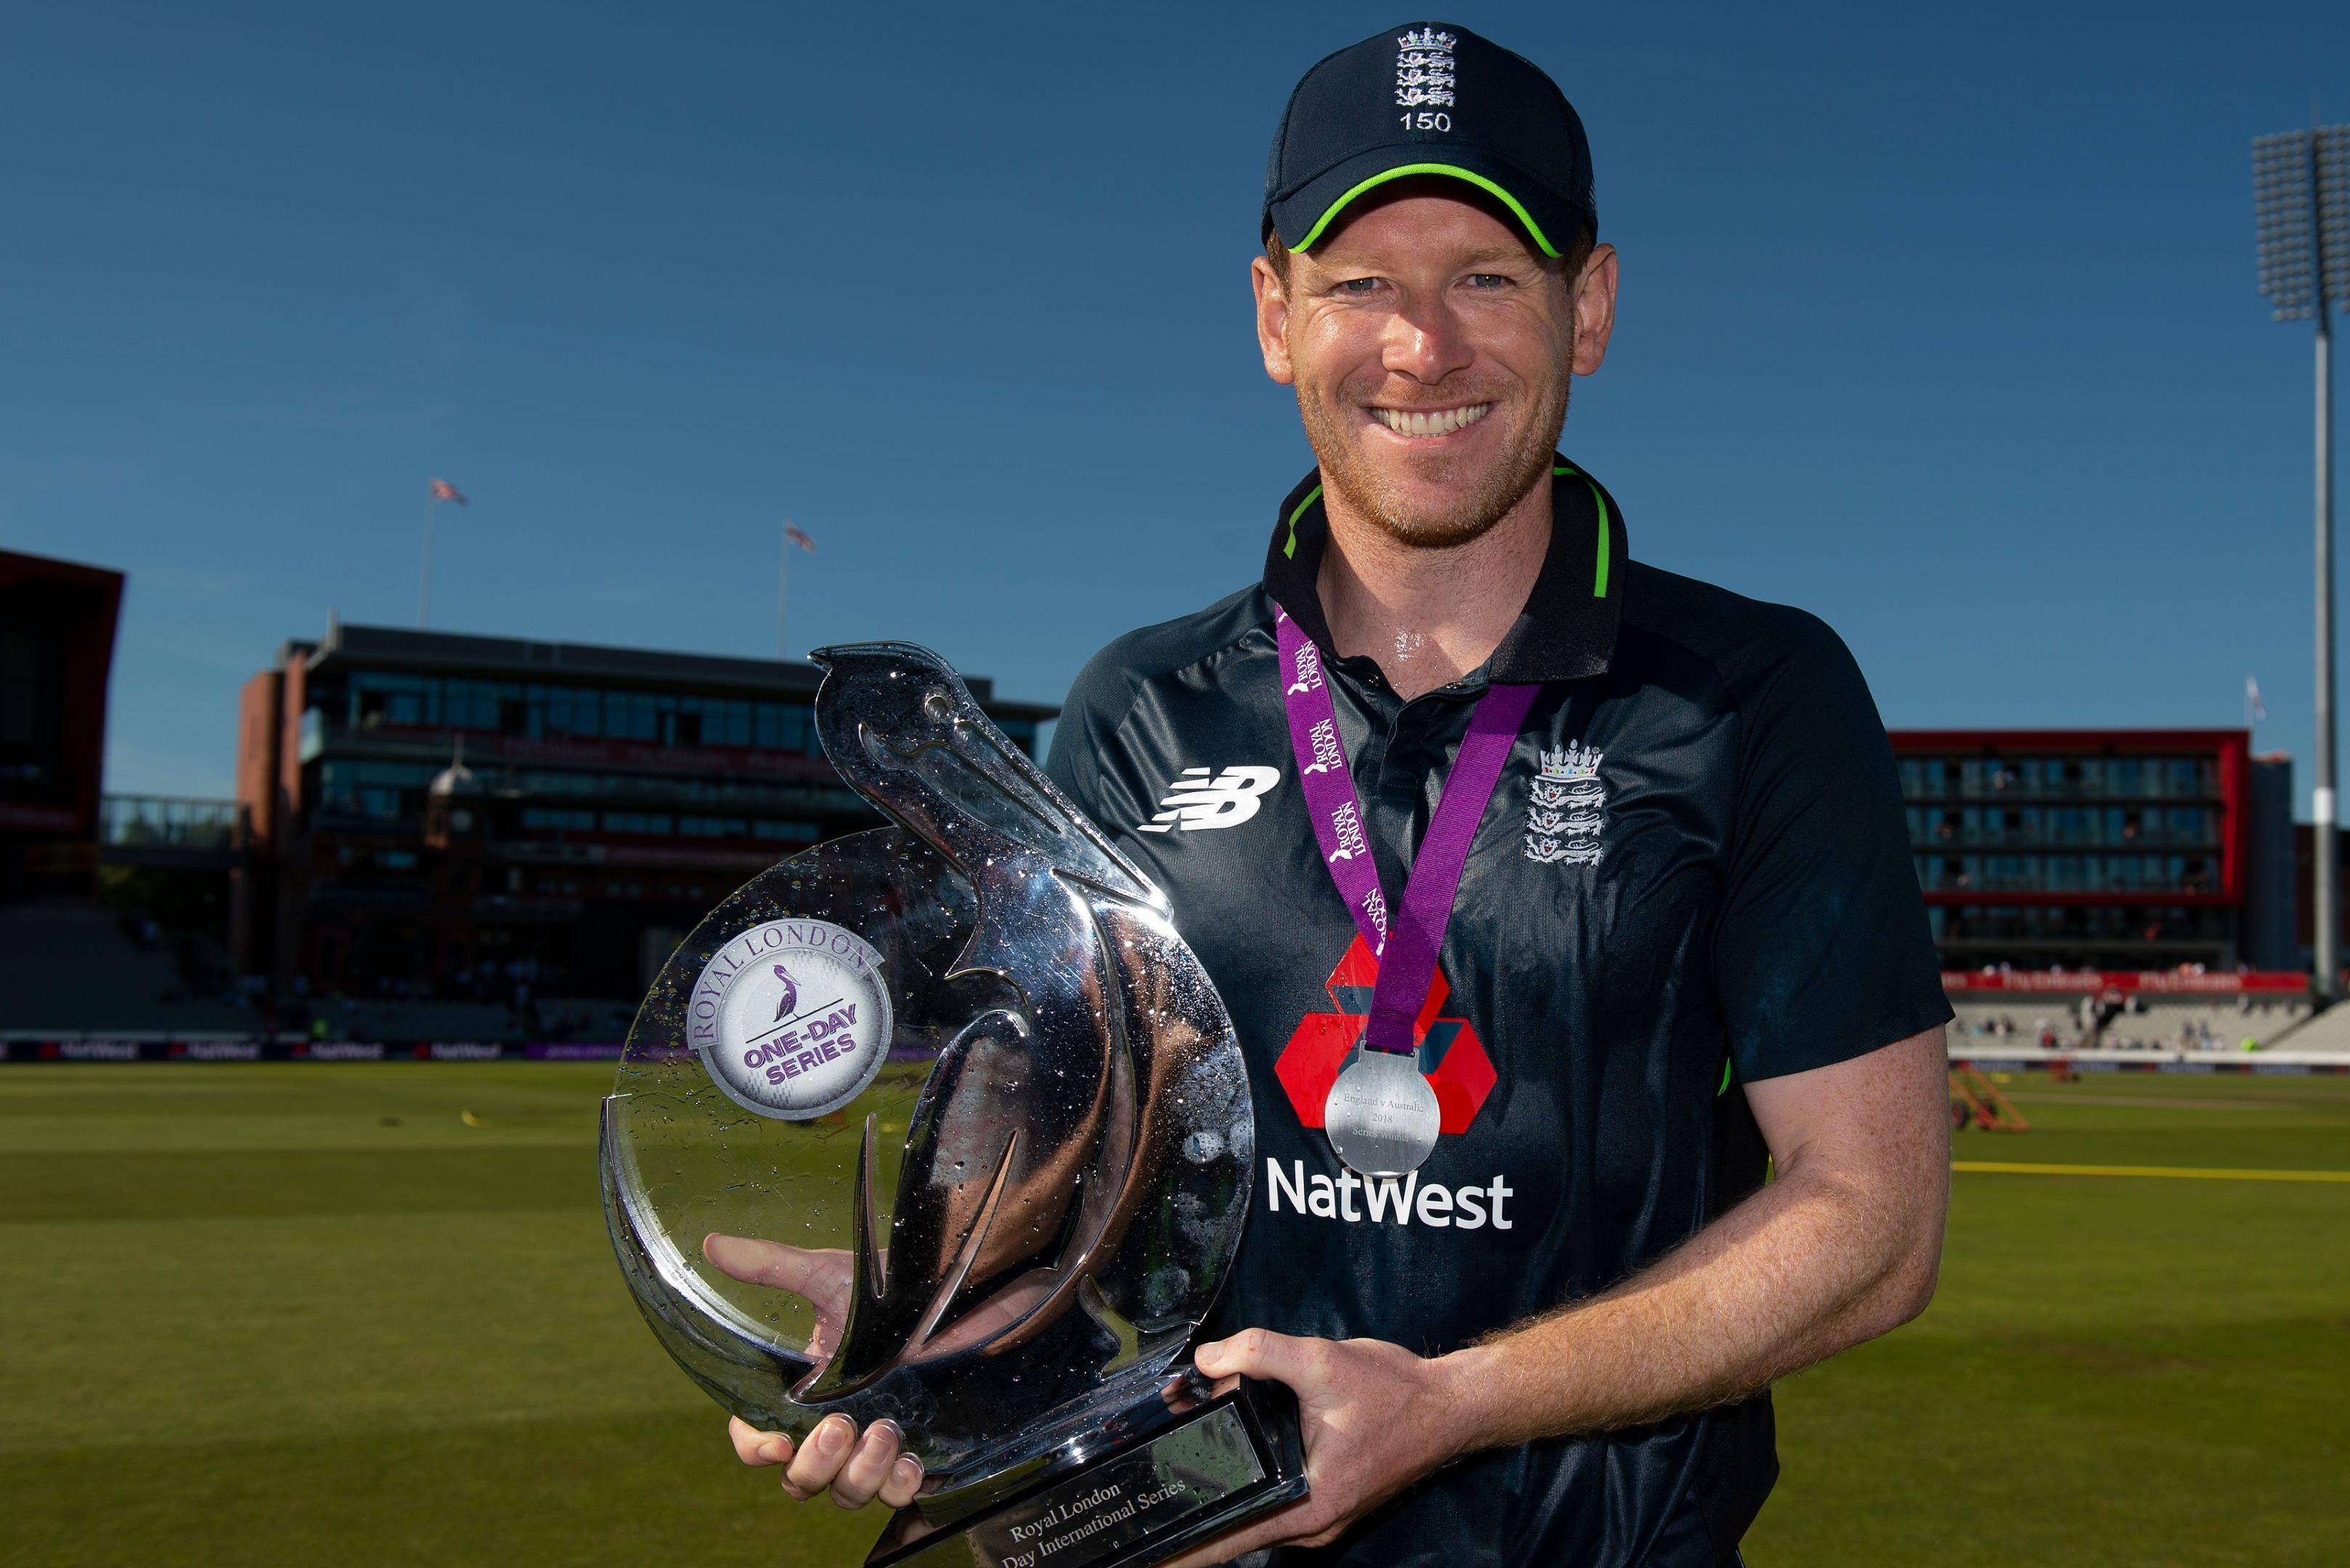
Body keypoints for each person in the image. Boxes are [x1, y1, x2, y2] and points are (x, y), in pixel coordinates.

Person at [717, 23, 1951, 1565]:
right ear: (1273, 317)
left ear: (1594, 310)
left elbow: (1875, 1222)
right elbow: (1058, 1185)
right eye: (1359, 282)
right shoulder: (1137, 709)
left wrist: (1456, 1402)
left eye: (1487, 278)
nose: (1423, 347)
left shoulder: (1754, 694)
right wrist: (935, 1329)